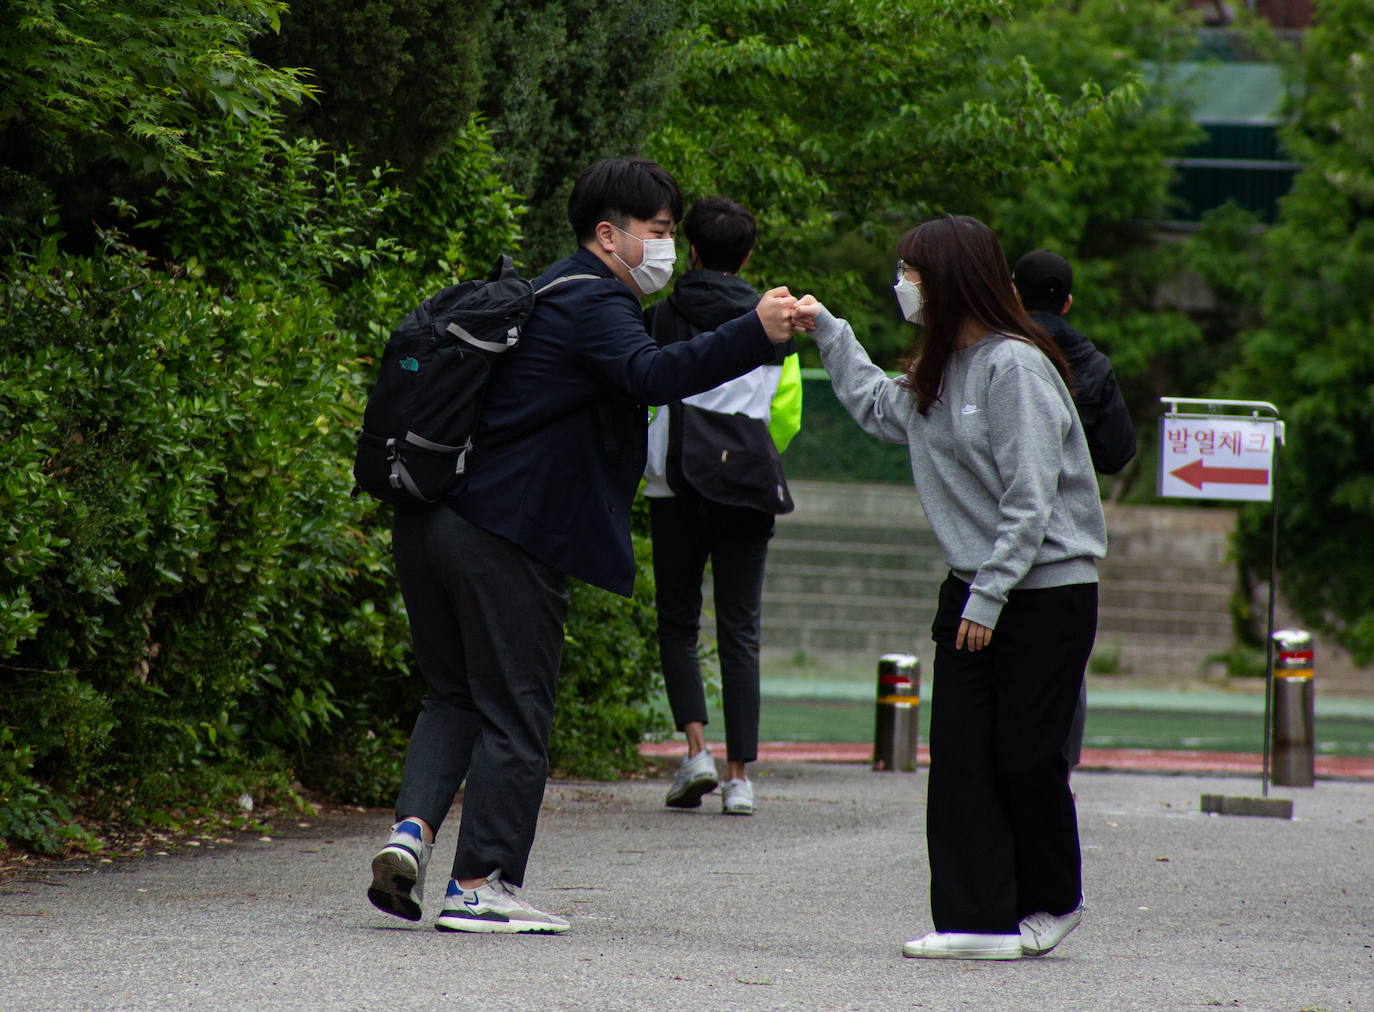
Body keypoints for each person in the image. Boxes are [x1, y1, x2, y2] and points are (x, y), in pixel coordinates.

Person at [367, 158, 804, 935]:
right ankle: (481, 884)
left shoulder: (544, 292)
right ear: (610, 236)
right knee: (517, 711)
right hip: (504, 534)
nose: (667, 249)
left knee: (454, 695)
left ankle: (412, 835)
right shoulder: (597, 301)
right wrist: (754, 332)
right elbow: (651, 374)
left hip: (431, 520)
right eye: (660, 234)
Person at [800, 214, 1107, 961]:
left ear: (950, 281)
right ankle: (976, 918)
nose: (902, 286)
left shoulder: (1016, 367)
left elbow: (1031, 499)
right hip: (975, 587)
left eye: (911, 273)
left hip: (1042, 590)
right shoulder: (941, 370)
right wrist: (826, 328)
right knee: (963, 756)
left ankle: (1051, 902)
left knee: (1027, 756)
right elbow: (879, 406)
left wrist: (992, 593)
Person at [642, 197, 802, 816]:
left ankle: (696, 752)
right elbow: (784, 413)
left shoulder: (658, 319)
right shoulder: (778, 323)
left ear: (692, 252)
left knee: (678, 622)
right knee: (741, 629)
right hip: (748, 487)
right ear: (749, 256)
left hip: (675, 482)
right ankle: (741, 779)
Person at [1013, 248, 1136, 769]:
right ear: (1068, 302)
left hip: (1001, 527)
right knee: (1065, 666)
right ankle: (1059, 768)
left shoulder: (999, 352)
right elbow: (1117, 451)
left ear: (1014, 294)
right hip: (1066, 541)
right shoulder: (1093, 364)